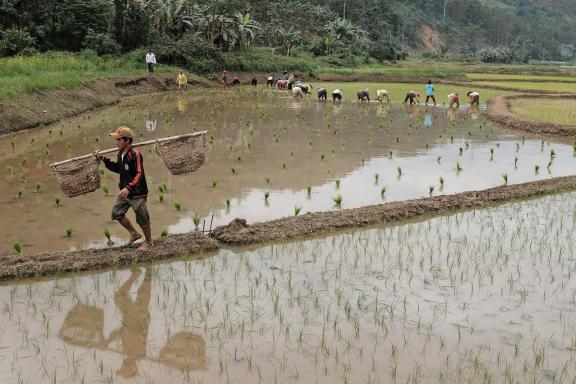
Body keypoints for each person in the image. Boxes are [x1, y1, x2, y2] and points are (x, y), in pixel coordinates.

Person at [94, 126, 153, 252]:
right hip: (125, 192)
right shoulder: (121, 154)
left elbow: (139, 173)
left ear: (127, 141)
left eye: (119, 140)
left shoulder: (135, 154)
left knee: (142, 218)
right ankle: (134, 233)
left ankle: (149, 242)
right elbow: (118, 168)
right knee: (116, 213)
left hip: (137, 193)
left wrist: (128, 188)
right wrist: (104, 159)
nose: (116, 142)